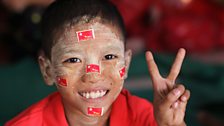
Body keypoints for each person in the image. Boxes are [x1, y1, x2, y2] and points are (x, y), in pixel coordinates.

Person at [4, 0, 190, 125]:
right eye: (73, 59)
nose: (93, 75)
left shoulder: (145, 116)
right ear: (47, 71)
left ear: (125, 64)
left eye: (109, 57)